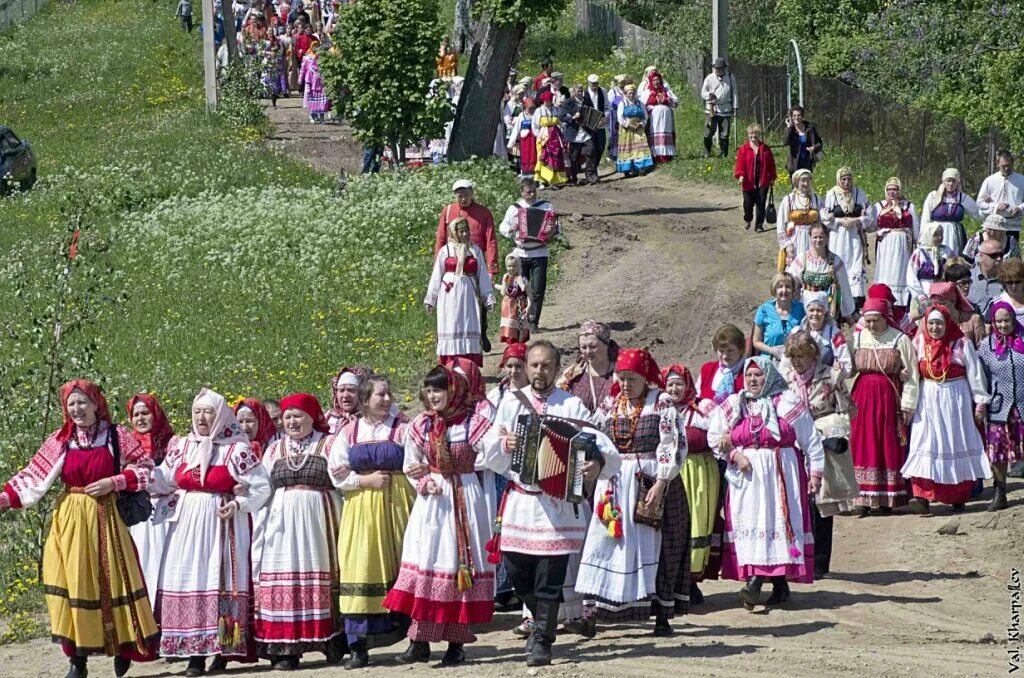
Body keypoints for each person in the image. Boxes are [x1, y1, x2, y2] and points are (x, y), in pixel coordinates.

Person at [0, 380, 159, 678]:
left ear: (96, 404)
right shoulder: (62, 439)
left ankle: (124, 646)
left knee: (115, 580)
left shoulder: (116, 436)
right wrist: (6, 498)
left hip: (106, 516)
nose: (77, 409)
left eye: (82, 402)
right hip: (71, 518)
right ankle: (77, 660)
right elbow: (34, 475)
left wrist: (115, 481)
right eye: (71, 403)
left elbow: (147, 468)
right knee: (74, 582)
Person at [485, 341, 621, 666]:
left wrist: (597, 465)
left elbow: (601, 444)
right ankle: (542, 620)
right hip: (521, 502)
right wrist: (504, 444)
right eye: (534, 364)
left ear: (557, 369)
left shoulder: (571, 405)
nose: (539, 371)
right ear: (526, 366)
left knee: (550, 578)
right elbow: (489, 449)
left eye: (546, 365)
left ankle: (543, 640)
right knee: (516, 571)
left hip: (558, 507)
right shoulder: (511, 403)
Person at [383, 364, 499, 667]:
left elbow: (493, 455)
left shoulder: (473, 423)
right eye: (430, 390)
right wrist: (424, 480)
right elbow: (411, 463)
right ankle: (418, 641)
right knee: (427, 561)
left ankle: (455, 645)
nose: (433, 395)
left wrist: (465, 464)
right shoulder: (421, 424)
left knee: (458, 563)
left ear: (454, 391)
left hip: (464, 496)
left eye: (440, 389)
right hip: (432, 502)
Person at [151, 388, 270, 676]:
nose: (201, 418)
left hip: (221, 522)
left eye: (208, 412)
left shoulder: (236, 450)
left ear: (221, 416)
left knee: (220, 580)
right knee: (187, 580)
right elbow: (163, 479)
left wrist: (240, 504)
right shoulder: (182, 446)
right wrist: (133, 476)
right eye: (197, 412)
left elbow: (262, 486)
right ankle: (194, 653)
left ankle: (221, 650)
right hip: (185, 525)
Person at [576, 348, 689, 636]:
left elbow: (673, 443)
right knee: (603, 544)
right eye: (621, 378)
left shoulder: (661, 402)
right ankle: (591, 614)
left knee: (659, 547)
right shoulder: (611, 404)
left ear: (645, 377)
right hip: (614, 485)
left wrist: (662, 482)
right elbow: (592, 435)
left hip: (650, 483)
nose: (625, 384)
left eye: (632, 379)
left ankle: (661, 615)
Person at [707, 356, 823, 609]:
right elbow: (713, 436)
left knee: (779, 521)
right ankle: (776, 585)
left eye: (758, 375)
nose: (752, 380)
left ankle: (756, 583)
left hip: (782, 472)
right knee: (753, 523)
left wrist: (815, 474)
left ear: (769, 376)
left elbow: (811, 440)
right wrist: (735, 455)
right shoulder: (735, 403)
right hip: (747, 477)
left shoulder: (787, 401)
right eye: (748, 375)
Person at [253, 393, 345, 670]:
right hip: (281, 526)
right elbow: (262, 486)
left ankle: (332, 641)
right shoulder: (274, 449)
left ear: (312, 417)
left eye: (298, 416)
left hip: (319, 521)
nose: (292, 422)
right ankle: (286, 649)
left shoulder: (329, 443)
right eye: (287, 417)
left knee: (322, 573)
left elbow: (342, 478)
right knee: (284, 575)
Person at [329, 376, 414, 668]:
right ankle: (358, 646)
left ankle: (416, 639)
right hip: (361, 508)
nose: (387, 399)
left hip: (398, 503)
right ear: (365, 400)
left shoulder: (402, 427)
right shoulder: (349, 432)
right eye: (381, 394)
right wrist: (364, 480)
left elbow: (416, 462)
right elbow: (336, 471)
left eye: (389, 394)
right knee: (360, 567)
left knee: (404, 564)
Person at [900, 305, 991, 514]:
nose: (935, 327)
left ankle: (957, 496)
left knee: (954, 441)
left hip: (956, 399)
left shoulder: (961, 343)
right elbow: (910, 368)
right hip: (927, 398)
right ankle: (922, 496)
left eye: (939, 323)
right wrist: (903, 372)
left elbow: (975, 373)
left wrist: (980, 402)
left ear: (947, 323)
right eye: (931, 323)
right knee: (925, 441)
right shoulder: (919, 342)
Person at [781, 332, 858, 579]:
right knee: (795, 501)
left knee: (822, 503)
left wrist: (831, 427)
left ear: (813, 354)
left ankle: (820, 563)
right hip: (794, 444)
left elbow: (848, 410)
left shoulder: (832, 376)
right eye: (792, 357)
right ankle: (797, 558)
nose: (796, 362)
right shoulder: (785, 379)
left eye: (801, 356)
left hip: (823, 443)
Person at [849, 299, 919, 514]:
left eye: (875, 320)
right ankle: (861, 499)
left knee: (886, 444)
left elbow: (912, 375)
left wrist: (908, 405)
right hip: (861, 399)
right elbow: (849, 369)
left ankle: (887, 498)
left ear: (885, 318)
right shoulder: (858, 338)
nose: (871, 325)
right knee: (861, 444)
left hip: (888, 399)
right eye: (867, 320)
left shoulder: (900, 339)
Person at [661, 364, 718, 605]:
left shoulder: (704, 408)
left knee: (696, 522)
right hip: (669, 472)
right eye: (669, 384)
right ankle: (669, 583)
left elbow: (718, 434)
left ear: (688, 385)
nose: (674, 389)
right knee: (669, 525)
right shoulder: (659, 408)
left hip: (699, 471)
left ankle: (691, 581)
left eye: (679, 384)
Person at [125, 393, 175, 610]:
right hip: (138, 512)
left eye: (145, 413)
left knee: (165, 558)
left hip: (166, 510)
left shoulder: (173, 443)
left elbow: (174, 476)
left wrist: (139, 478)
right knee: (141, 558)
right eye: (135, 415)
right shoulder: (126, 444)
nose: (140, 418)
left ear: (156, 415)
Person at [426, 217, 496, 367]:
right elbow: (437, 275)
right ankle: (450, 363)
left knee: (468, 324)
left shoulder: (475, 250)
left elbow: (482, 275)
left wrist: (488, 298)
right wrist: (431, 299)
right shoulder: (445, 251)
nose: (464, 234)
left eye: (466, 231)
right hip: (449, 296)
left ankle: (469, 364)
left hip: (468, 295)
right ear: (454, 232)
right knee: (451, 324)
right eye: (461, 231)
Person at [976, 300, 1024, 510]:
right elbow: (981, 377)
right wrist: (982, 403)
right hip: (1000, 407)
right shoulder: (986, 346)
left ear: (1013, 319)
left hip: (1022, 404)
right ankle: (999, 492)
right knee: (998, 452)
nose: (1003, 325)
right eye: (999, 321)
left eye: (1007, 320)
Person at [498, 176, 558, 333]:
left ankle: (534, 321)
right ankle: (521, 320)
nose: (532, 194)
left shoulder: (546, 206)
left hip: (540, 252)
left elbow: (556, 227)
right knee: (520, 288)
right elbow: (502, 227)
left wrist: (552, 229)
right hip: (521, 253)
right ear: (521, 192)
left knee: (538, 288)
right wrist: (512, 229)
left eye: (534, 191)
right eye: (528, 192)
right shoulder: (514, 208)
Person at [822, 167, 873, 306]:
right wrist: (838, 221)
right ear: (838, 179)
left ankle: (856, 299)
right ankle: (837, 297)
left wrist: (856, 220)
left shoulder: (859, 193)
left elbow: (869, 215)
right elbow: (824, 216)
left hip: (855, 236)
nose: (846, 182)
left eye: (849, 179)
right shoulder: (832, 194)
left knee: (855, 263)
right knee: (838, 262)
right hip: (838, 236)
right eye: (843, 179)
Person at [788, 222, 857, 323]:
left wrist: (848, 314)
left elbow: (844, 287)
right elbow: (790, 280)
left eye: (821, 237)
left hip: (827, 307)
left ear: (827, 238)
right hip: (806, 305)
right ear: (810, 238)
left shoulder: (835, 260)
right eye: (815, 237)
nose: (818, 240)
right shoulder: (803, 258)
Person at [872, 177, 920, 309]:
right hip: (886, 243)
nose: (891, 192)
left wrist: (917, 243)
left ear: (900, 190)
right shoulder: (879, 206)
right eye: (889, 189)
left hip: (902, 244)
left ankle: (900, 301)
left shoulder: (909, 206)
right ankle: (883, 296)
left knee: (900, 268)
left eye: (895, 189)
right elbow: (872, 226)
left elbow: (916, 228)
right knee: (886, 268)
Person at [558, 320, 620, 413]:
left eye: (593, 347)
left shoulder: (623, 375)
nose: (588, 351)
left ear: (606, 344)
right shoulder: (571, 376)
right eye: (583, 347)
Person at [921, 168, 979, 256]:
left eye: (953, 181)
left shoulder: (961, 197)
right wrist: (924, 237)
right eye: (948, 181)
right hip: (937, 232)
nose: (950, 184)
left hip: (955, 235)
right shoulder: (933, 196)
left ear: (957, 182)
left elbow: (977, 213)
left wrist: (992, 209)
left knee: (953, 257)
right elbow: (925, 217)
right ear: (944, 181)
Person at [734, 123, 777, 232]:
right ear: (748, 135)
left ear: (759, 134)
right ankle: (748, 219)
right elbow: (740, 164)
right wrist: (740, 175)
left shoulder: (765, 149)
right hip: (748, 181)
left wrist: (772, 177)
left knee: (761, 204)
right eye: (751, 133)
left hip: (763, 181)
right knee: (748, 204)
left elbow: (771, 164)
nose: (753, 136)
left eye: (756, 133)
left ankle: (759, 225)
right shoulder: (743, 149)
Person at [753, 272, 805, 360]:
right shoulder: (764, 310)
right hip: (768, 359)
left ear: (793, 290)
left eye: (788, 287)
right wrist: (772, 351)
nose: (784, 290)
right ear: (775, 289)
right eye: (780, 286)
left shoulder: (801, 309)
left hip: (793, 360)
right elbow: (756, 342)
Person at [906, 220, 955, 313]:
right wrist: (921, 297)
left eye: (941, 234)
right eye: (935, 235)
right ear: (928, 235)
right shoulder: (919, 253)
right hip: (924, 294)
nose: (940, 237)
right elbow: (911, 277)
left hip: (943, 295)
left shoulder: (947, 250)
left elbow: (955, 270)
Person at [777, 168, 822, 269]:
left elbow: (822, 221)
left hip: (813, 238)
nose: (806, 183)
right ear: (797, 182)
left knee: (813, 266)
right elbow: (781, 225)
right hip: (795, 239)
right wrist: (788, 245)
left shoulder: (816, 199)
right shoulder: (789, 199)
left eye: (808, 180)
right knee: (795, 267)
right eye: (803, 180)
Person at [697, 323, 748, 408]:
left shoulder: (749, 372)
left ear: (740, 349)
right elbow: (696, 399)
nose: (725, 356)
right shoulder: (707, 369)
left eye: (730, 350)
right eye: (721, 351)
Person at [977, 149, 1024, 236]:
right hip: (993, 226)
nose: (1006, 168)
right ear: (998, 163)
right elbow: (979, 203)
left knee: (1011, 245)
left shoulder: (1021, 180)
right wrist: (995, 207)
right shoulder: (990, 180)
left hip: (1013, 226)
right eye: (1003, 166)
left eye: (1009, 165)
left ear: (1012, 163)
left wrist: (1020, 208)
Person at [928, 278, 987, 347]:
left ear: (954, 301)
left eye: (942, 304)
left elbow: (982, 349)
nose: (938, 308)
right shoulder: (930, 322)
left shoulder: (973, 319)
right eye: (935, 304)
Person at [615, 83, 654, 178]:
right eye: (629, 93)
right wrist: (627, 124)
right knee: (628, 147)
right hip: (627, 129)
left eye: (632, 93)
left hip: (638, 129)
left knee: (639, 147)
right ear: (625, 94)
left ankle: (640, 167)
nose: (631, 95)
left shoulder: (640, 103)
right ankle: (627, 168)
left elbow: (645, 116)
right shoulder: (622, 103)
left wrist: (641, 124)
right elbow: (620, 117)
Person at [533, 90, 569, 189]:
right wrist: (539, 136)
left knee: (556, 156)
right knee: (543, 156)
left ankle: (556, 180)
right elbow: (535, 125)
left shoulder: (556, 109)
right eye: (546, 101)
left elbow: (561, 122)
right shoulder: (539, 111)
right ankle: (542, 180)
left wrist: (564, 130)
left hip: (555, 136)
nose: (548, 102)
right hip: (544, 137)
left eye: (549, 100)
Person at [701, 57, 736, 158]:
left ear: (724, 68)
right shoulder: (709, 78)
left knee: (724, 134)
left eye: (721, 68)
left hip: (725, 109)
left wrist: (735, 107)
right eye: (717, 68)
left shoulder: (730, 77)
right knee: (708, 132)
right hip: (711, 109)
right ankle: (707, 153)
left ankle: (723, 154)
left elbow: (734, 93)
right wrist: (710, 95)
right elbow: (703, 93)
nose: (719, 70)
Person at [560, 84, 594, 185]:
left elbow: (592, 111)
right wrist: (573, 117)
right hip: (574, 132)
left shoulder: (586, 100)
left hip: (586, 131)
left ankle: (590, 175)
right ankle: (573, 177)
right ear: (574, 92)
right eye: (578, 91)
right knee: (574, 156)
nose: (580, 93)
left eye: (581, 91)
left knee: (591, 150)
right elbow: (561, 117)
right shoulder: (568, 102)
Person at [644, 70, 678, 163]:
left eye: (657, 80)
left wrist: (671, 101)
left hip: (666, 119)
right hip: (654, 119)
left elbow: (675, 102)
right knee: (656, 134)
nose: (656, 82)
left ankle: (666, 156)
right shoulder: (648, 92)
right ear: (651, 81)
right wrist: (650, 109)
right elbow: (642, 104)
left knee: (665, 134)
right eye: (654, 80)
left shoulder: (666, 90)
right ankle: (656, 156)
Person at [497, 254, 531, 344]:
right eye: (509, 266)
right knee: (509, 327)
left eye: (514, 266)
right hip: (508, 307)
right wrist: (498, 284)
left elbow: (529, 293)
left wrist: (529, 306)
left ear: (518, 266)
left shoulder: (522, 279)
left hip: (519, 306)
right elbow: (503, 292)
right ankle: (511, 344)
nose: (511, 268)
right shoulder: (506, 278)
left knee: (519, 327)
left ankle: (520, 343)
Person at [326, 366, 370, 434]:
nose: (346, 395)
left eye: (351, 390)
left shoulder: (371, 419)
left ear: (361, 393)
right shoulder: (326, 420)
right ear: (336, 394)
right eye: (341, 390)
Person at [967, 239, 1005, 318]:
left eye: (1001, 255)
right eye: (994, 255)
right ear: (981, 255)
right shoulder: (967, 278)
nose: (999, 258)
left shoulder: (1009, 280)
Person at [582, 74, 609, 183]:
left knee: (601, 146)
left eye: (596, 84)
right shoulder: (584, 93)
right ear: (589, 83)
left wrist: (605, 117)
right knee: (592, 148)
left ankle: (593, 168)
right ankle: (590, 173)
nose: (595, 86)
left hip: (601, 123)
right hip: (589, 125)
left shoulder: (603, 91)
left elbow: (606, 106)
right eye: (593, 84)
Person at [487, 342, 529, 410]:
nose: (514, 371)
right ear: (504, 366)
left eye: (518, 366)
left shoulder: (538, 395)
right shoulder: (495, 395)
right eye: (509, 366)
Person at [298, 40, 330, 123]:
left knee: (322, 100)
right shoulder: (307, 58)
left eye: (317, 47)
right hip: (311, 82)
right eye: (314, 47)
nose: (316, 48)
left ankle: (321, 117)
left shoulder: (322, 59)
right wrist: (300, 78)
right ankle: (313, 115)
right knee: (312, 99)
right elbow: (303, 69)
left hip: (321, 83)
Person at [783, 105, 823, 172]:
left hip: (807, 163)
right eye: (794, 115)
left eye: (799, 115)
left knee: (806, 178)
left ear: (802, 116)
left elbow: (819, 143)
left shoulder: (810, 129)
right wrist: (788, 128)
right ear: (791, 117)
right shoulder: (790, 130)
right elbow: (785, 142)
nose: (796, 118)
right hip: (794, 164)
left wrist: (814, 147)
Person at [508, 97, 538, 178]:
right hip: (525, 140)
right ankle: (525, 174)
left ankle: (535, 174)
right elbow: (516, 129)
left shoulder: (536, 115)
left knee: (534, 155)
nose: (532, 110)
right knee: (525, 156)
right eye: (530, 108)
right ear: (525, 107)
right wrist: (510, 144)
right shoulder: (521, 115)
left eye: (533, 108)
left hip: (534, 139)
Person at [991, 258, 1024, 326]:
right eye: (1010, 282)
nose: (1014, 286)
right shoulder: (996, 302)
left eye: (1018, 282)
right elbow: (988, 328)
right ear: (1004, 283)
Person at [607, 75, 629, 164]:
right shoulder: (613, 91)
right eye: (621, 83)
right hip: (615, 114)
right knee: (614, 134)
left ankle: (624, 152)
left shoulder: (626, 90)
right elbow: (609, 103)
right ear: (617, 83)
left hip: (624, 114)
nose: (623, 84)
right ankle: (612, 153)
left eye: (624, 82)